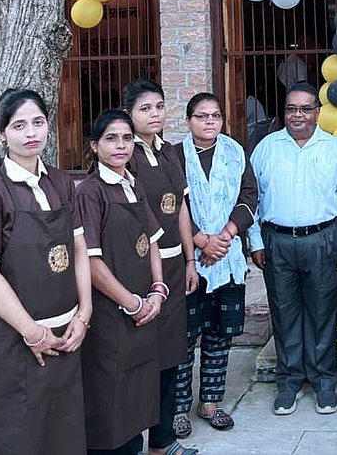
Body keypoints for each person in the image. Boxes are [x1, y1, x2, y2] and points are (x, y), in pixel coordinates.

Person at [0, 88, 91, 454]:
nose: (31, 132)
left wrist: (84, 313)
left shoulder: (63, 183)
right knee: (18, 434)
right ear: (2, 134)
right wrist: (33, 333)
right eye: (19, 126)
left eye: (38, 122)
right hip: (13, 342)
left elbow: (78, 248)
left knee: (62, 430)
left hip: (66, 335)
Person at [247, 82, 337, 416]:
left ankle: (325, 383)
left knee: (323, 313)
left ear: (317, 112)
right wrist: (255, 240)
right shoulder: (266, 148)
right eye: (291, 109)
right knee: (284, 314)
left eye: (305, 109)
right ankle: (290, 383)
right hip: (276, 241)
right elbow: (252, 199)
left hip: (323, 239)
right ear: (284, 112)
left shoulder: (334, 149)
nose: (298, 115)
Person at [77, 110, 168, 455]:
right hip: (110, 315)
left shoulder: (134, 184)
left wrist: (157, 290)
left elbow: (153, 239)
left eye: (127, 138)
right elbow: (91, 261)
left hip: (143, 307)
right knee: (109, 401)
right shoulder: (91, 192)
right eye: (111, 139)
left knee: (136, 396)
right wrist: (131, 303)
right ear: (94, 146)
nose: (120, 146)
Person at [122, 80, 199, 454]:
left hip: (174, 267)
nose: (154, 114)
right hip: (143, 272)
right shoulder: (126, 157)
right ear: (129, 115)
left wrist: (190, 259)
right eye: (145, 109)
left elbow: (181, 208)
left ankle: (163, 442)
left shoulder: (170, 152)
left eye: (159, 106)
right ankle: (135, 440)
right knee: (144, 360)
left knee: (171, 357)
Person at [176, 93, 257, 434]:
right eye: (202, 116)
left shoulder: (235, 152)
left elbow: (249, 196)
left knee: (219, 334)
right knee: (183, 337)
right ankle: (177, 408)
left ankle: (211, 401)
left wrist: (224, 234)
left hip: (227, 255)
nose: (210, 122)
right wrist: (199, 239)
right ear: (188, 121)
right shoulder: (173, 156)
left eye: (216, 116)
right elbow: (169, 204)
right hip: (187, 258)